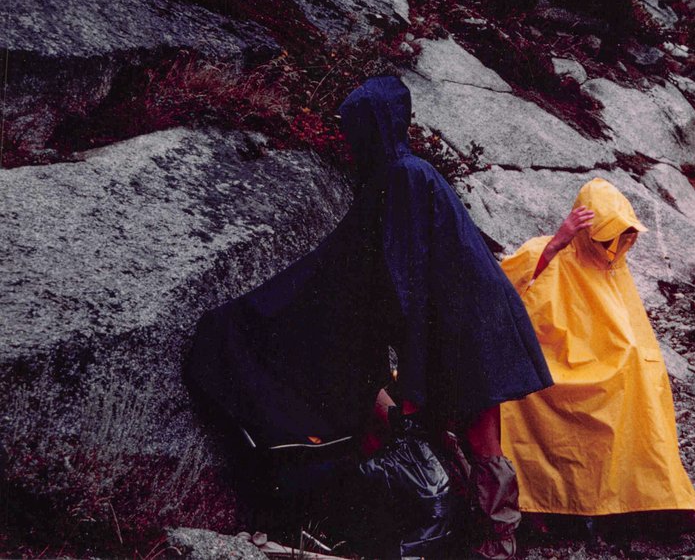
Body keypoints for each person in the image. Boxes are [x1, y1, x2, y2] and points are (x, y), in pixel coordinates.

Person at [186, 76, 552, 559]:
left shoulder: (402, 176)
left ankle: (496, 544)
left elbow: (406, 282)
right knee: (473, 434)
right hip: (471, 319)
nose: (348, 138)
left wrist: (411, 384)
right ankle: (485, 534)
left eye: (354, 128)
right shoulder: (409, 172)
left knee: (480, 437)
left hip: (465, 326)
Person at [499, 178, 695, 525]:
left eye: (620, 236)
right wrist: (555, 245)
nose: (613, 245)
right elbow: (505, 295)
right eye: (606, 235)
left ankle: (646, 498)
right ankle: (561, 505)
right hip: (552, 362)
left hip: (606, 362)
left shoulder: (613, 265)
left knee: (642, 380)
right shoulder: (544, 251)